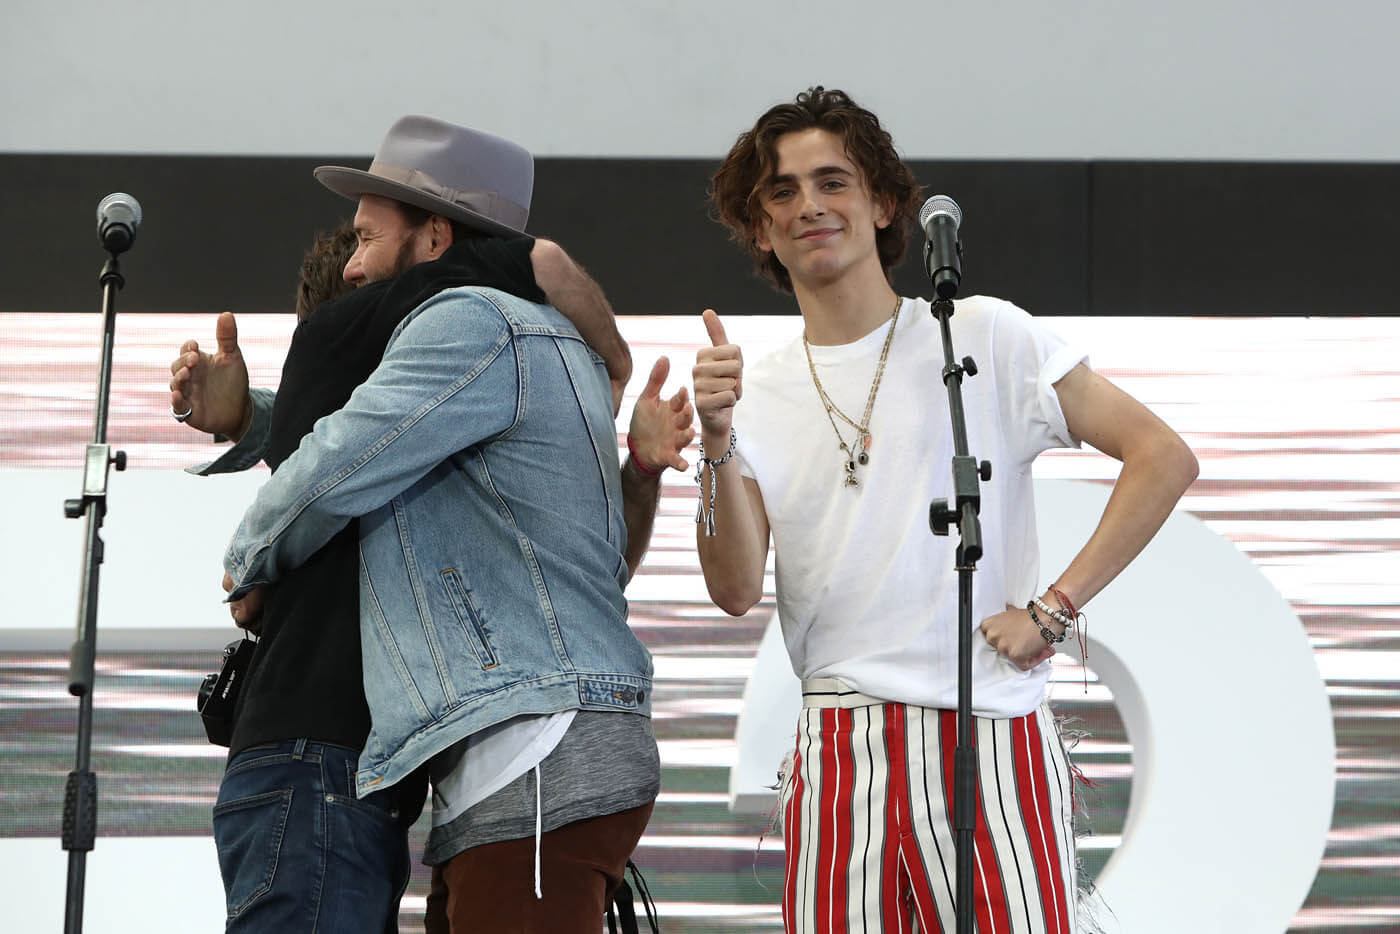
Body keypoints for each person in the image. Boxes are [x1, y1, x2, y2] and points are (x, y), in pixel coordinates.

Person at [692, 87, 1198, 933]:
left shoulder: (985, 335)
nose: (809, 205)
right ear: (760, 229)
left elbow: (1162, 456)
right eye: (782, 192)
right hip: (839, 740)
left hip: (991, 727)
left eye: (833, 181)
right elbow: (736, 588)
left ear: (884, 204)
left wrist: (1054, 609)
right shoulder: (759, 388)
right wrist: (716, 442)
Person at [171, 115, 691, 933]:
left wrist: (248, 561)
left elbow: (339, 462)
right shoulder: (551, 348)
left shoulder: (470, 321)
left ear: (439, 236)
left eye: (368, 237)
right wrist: (251, 422)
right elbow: (589, 565)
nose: (353, 264)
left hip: (532, 753)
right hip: (538, 748)